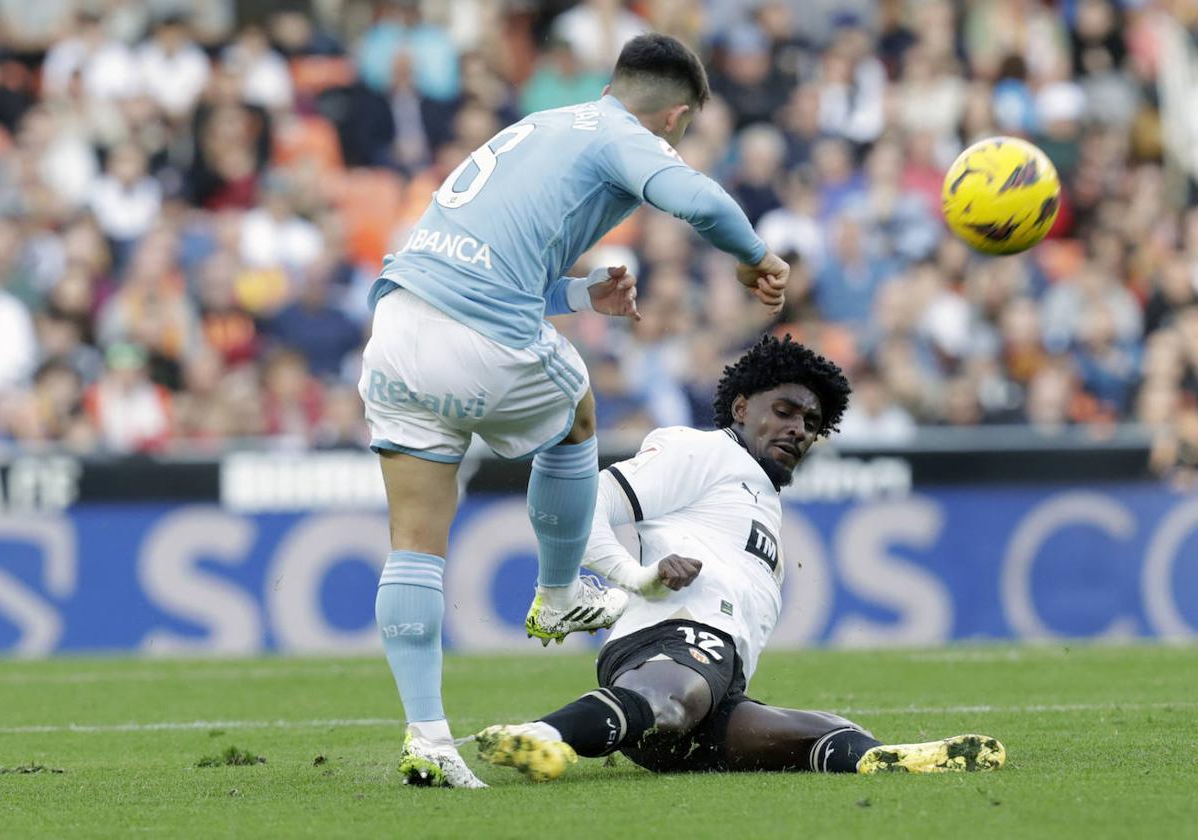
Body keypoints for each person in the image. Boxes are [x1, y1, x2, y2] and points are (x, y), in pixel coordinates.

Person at [359, 33, 790, 788]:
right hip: (477, 331)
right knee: (578, 410)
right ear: (675, 117)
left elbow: (491, 259)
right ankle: (559, 592)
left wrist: (582, 294)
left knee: (415, 544)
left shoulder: (542, 127)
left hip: (397, 326)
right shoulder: (625, 134)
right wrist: (756, 256)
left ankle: (427, 737)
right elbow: (699, 200)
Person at [476, 335, 1006, 780]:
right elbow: (581, 503)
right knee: (676, 695)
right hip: (668, 643)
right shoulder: (702, 451)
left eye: (811, 422)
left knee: (821, 730)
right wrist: (636, 577)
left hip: (714, 684)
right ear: (740, 408)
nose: (799, 428)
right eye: (784, 411)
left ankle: (882, 759)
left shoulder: (762, 501)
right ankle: (541, 735)